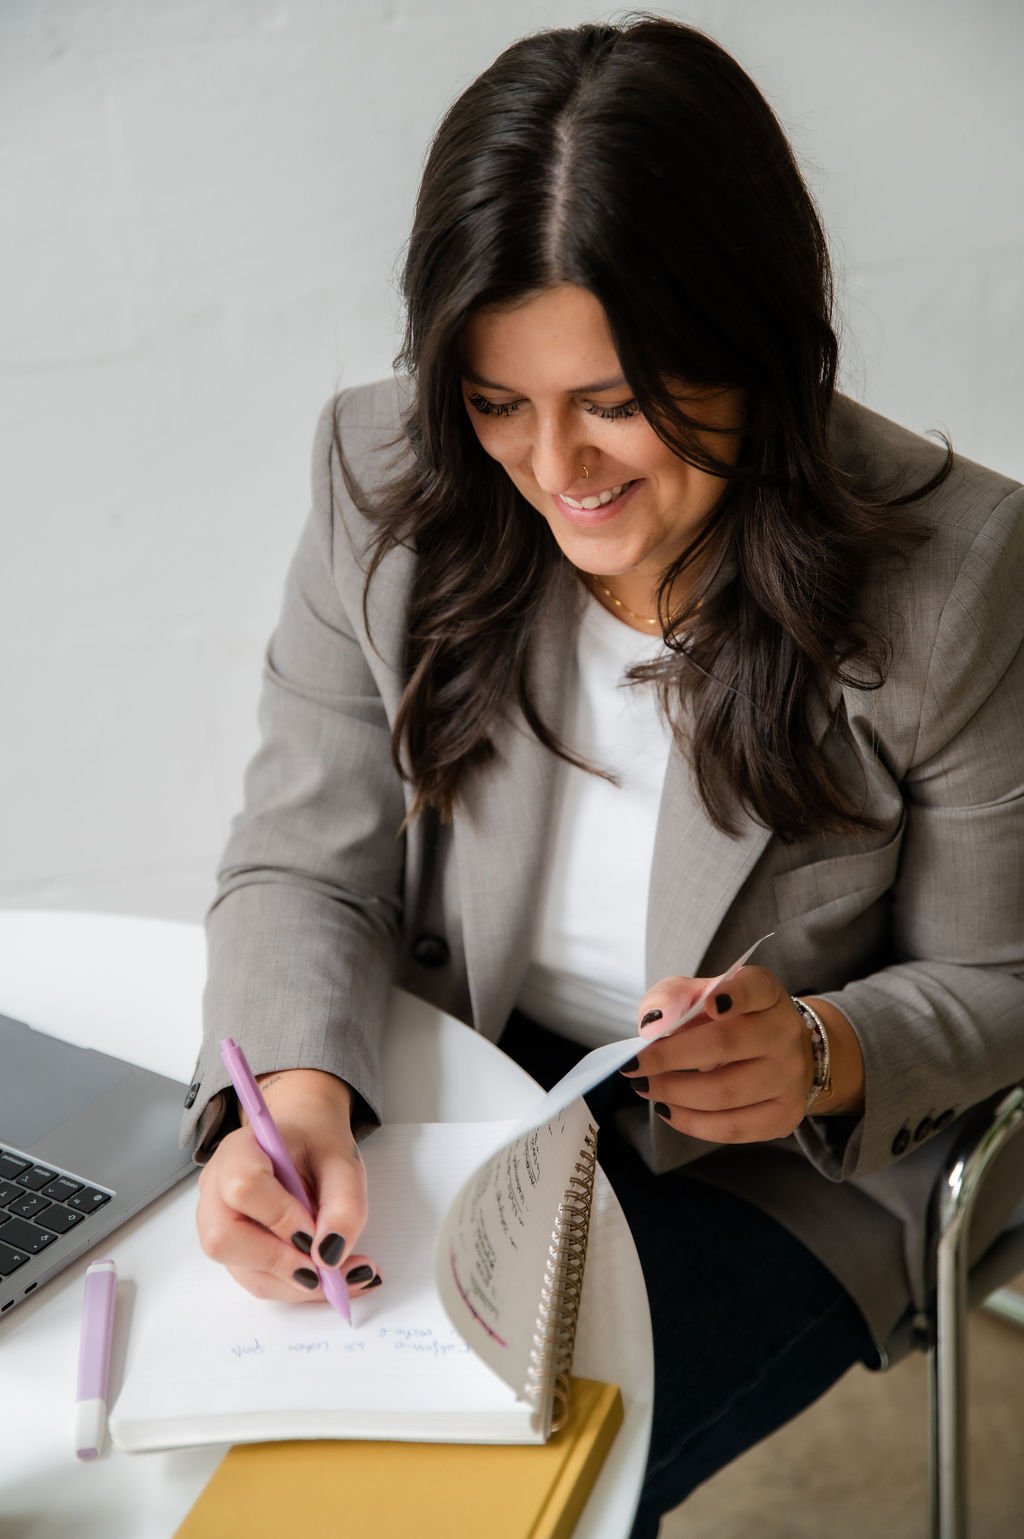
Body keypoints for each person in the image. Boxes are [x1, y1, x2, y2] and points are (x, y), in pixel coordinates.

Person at [184, 17, 1024, 1535]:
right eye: (500, 402)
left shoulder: (954, 575)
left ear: (753, 351)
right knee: (257, 1469)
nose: (554, 468)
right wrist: (294, 1096)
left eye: (614, 401)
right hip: (462, 1098)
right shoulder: (389, 479)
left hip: (773, 1176)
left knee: (496, 1509)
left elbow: (1003, 974)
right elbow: (302, 865)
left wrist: (824, 1050)